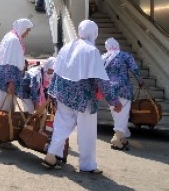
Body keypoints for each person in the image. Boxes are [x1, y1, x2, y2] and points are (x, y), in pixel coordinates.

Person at [43, 20, 122, 173]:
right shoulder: (91, 51)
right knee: (87, 132)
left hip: (64, 95)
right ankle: (87, 165)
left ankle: (51, 155)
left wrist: (52, 93)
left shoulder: (66, 47)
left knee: (61, 126)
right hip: (84, 98)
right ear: (94, 33)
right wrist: (114, 101)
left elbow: (57, 72)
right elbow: (101, 79)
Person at [0, 18, 33, 149]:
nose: (27, 34)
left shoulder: (9, 37)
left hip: (2, 80)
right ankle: (2, 137)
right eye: (27, 31)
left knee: (0, 109)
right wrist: (11, 83)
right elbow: (10, 63)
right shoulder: (14, 40)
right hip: (8, 82)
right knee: (6, 111)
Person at [102, 37, 144, 150]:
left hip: (109, 91)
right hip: (123, 89)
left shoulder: (104, 58)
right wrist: (140, 80)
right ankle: (116, 139)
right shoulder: (125, 55)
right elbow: (134, 69)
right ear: (117, 44)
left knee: (117, 115)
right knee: (123, 114)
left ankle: (122, 138)